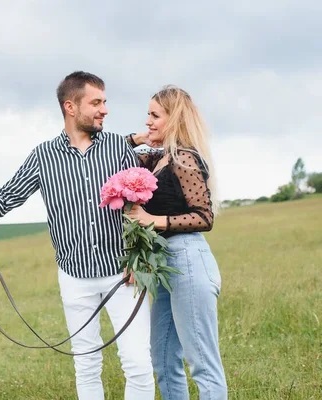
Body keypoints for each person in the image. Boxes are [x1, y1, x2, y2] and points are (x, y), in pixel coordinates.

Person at [0, 71, 155, 400]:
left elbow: (140, 204)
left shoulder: (119, 147)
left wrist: (139, 257)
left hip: (124, 276)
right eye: (97, 102)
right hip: (74, 279)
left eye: (105, 102)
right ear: (70, 107)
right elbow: (1, 203)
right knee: (87, 366)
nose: (105, 109)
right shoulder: (42, 157)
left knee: (138, 364)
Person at [126, 85, 227, 399]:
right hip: (164, 268)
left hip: (188, 261)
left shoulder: (184, 158)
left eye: (155, 115)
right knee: (163, 359)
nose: (148, 122)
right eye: (148, 115)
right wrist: (137, 138)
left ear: (175, 119)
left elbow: (204, 216)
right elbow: (113, 150)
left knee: (202, 365)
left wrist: (152, 220)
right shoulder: (156, 159)